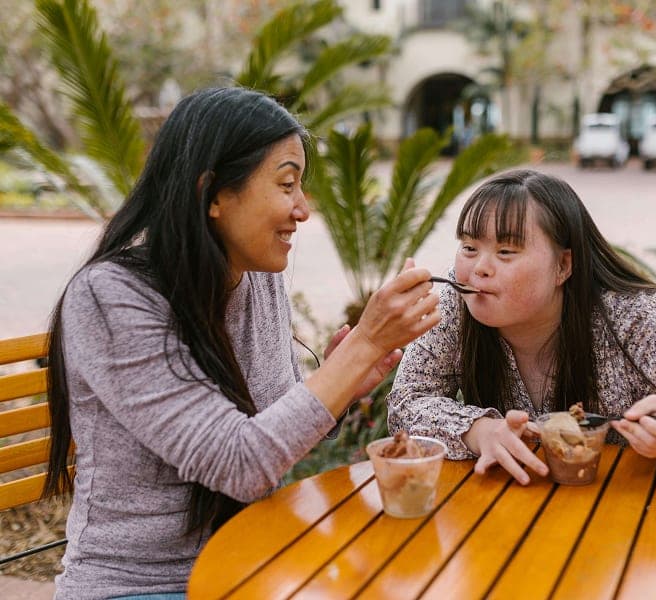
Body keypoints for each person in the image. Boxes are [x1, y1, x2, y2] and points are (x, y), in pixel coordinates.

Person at [43, 87, 440, 600]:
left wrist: (344, 382)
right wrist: (364, 343)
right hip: (142, 585)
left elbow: (270, 432)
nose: (302, 209)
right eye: (287, 184)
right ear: (213, 193)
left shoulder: (255, 277)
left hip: (251, 558)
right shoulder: (110, 298)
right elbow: (241, 466)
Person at [386, 168, 656, 486]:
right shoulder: (456, 301)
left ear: (563, 266)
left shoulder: (635, 316)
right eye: (469, 247)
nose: (479, 267)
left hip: (627, 518)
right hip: (506, 516)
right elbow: (406, 403)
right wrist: (476, 430)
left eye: (505, 252)